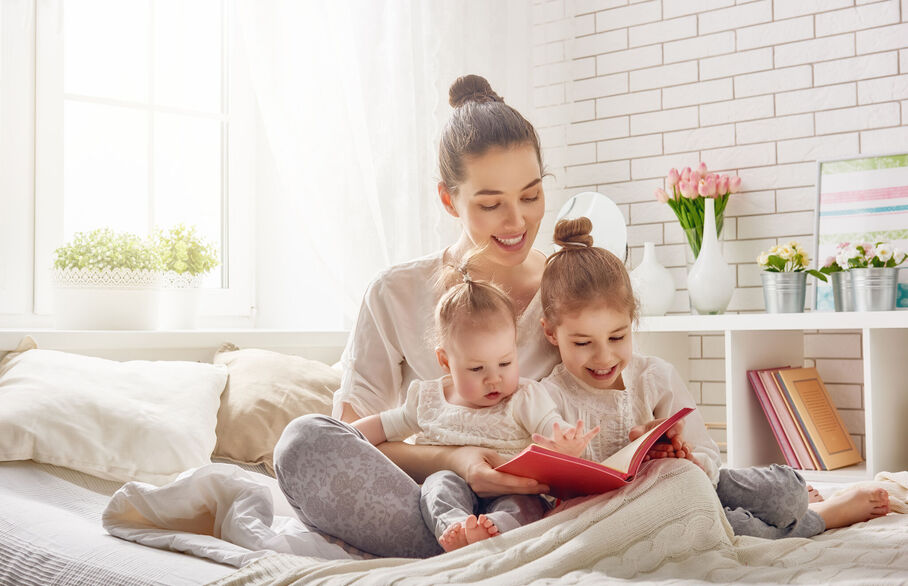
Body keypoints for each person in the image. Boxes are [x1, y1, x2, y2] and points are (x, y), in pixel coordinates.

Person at [273, 74, 561, 558]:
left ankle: (492, 547)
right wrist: (459, 460)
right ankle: (482, 547)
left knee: (682, 477)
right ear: (449, 199)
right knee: (304, 445)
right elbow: (352, 442)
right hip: (433, 498)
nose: (517, 223)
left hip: (551, 503)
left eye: (531, 196)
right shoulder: (396, 293)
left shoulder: (572, 287)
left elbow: (619, 407)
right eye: (491, 204)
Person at [536, 216, 891, 539]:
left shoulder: (655, 376)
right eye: (583, 343)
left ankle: (804, 504)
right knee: (726, 528)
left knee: (787, 493)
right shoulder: (548, 398)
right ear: (551, 333)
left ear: (632, 322)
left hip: (694, 483)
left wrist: (683, 457)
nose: (604, 357)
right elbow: (552, 500)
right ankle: (824, 517)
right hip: (644, 513)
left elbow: (708, 456)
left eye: (617, 337)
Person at [352, 256, 598, 552]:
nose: (494, 379)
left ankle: (498, 534)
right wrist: (346, 436)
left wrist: (567, 443)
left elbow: (552, 428)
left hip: (512, 489)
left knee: (524, 506)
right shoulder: (429, 400)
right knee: (438, 486)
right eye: (477, 369)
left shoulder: (525, 397)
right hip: (454, 485)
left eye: (505, 362)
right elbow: (382, 425)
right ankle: (455, 530)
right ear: (445, 361)